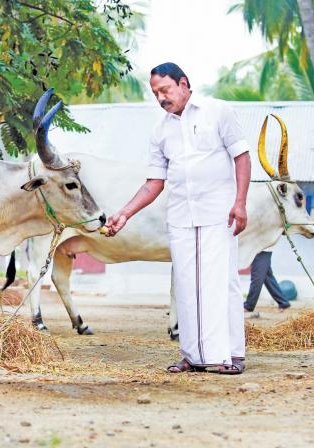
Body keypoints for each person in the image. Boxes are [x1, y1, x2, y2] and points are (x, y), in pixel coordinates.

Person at [104, 62, 250, 374]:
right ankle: (193, 356)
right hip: (181, 215)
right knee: (185, 284)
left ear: (184, 83)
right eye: (155, 93)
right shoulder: (160, 130)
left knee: (219, 281)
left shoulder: (218, 111)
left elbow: (242, 156)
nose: (161, 98)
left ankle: (229, 355)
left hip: (219, 212)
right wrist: (124, 214)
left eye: (165, 90)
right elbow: (154, 182)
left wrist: (240, 202)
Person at [243, 248, 291, 314]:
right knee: (266, 276)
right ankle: (283, 302)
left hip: (261, 248)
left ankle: (248, 305)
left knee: (257, 276)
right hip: (262, 247)